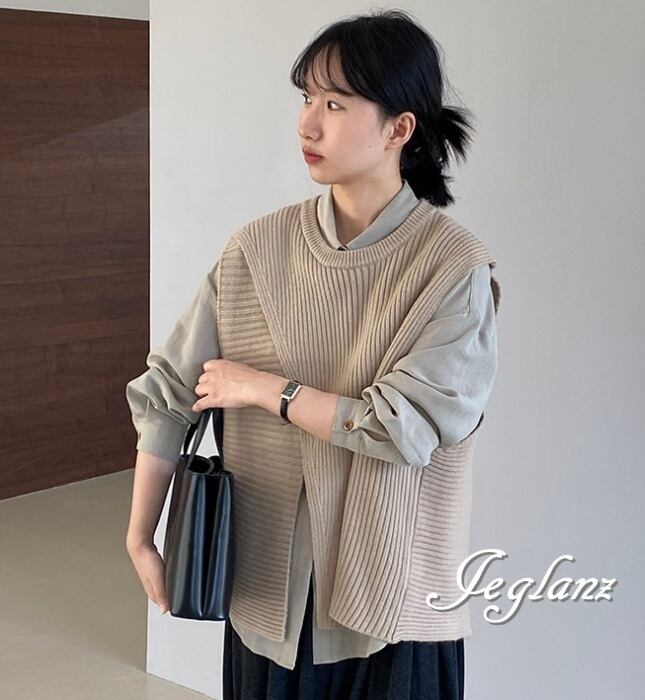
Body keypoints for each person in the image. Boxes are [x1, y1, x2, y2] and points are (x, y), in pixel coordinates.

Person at [125, 8, 501, 699]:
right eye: (306, 98)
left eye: (335, 103)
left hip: (394, 609)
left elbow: (402, 428)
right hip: (265, 594)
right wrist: (140, 533)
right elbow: (169, 392)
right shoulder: (255, 249)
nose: (307, 124)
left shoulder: (451, 267)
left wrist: (264, 389)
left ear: (399, 128)